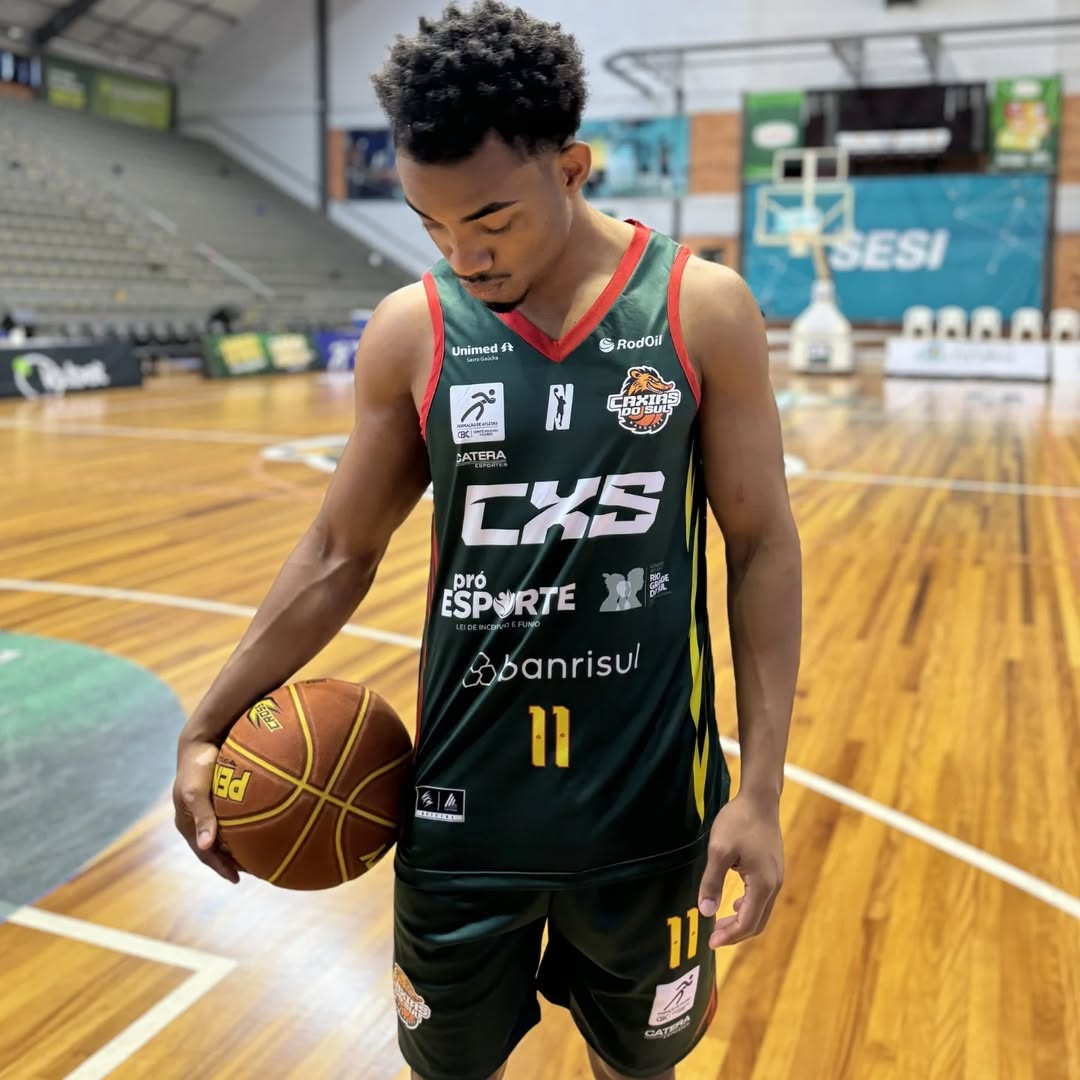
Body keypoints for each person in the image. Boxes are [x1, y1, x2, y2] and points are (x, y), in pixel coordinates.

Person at [172, 4, 802, 1079]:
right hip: (462, 817)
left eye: (492, 220)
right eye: (432, 225)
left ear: (572, 167)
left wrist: (762, 790)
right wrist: (206, 724)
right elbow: (337, 552)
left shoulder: (701, 311)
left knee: (638, 1067)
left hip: (650, 812)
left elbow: (761, 547)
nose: (465, 253)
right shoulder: (412, 332)